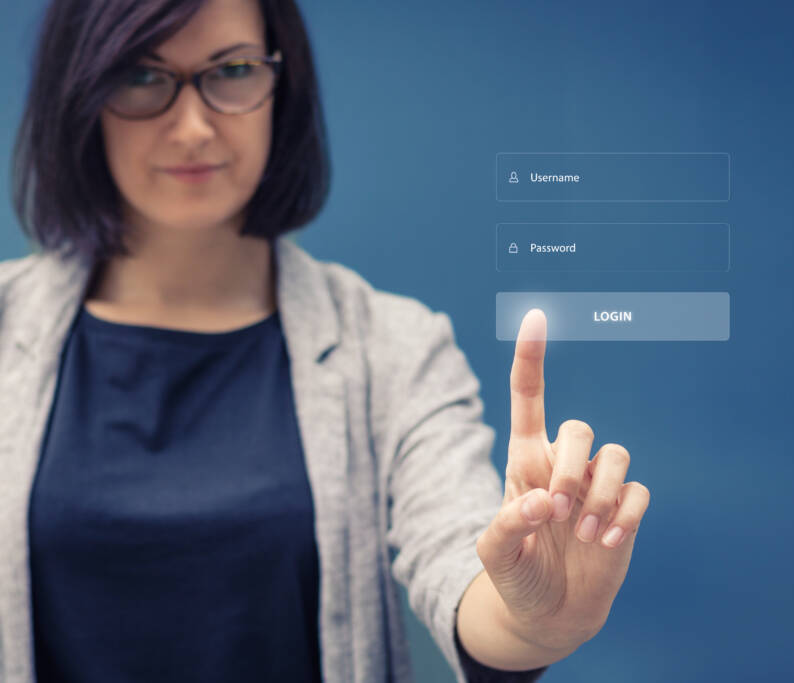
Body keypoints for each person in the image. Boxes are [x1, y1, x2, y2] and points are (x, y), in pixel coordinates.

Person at [0, 0, 651, 681]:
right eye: (140, 76)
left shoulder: (393, 349)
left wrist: (533, 618)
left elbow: (459, 561)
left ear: (285, 88)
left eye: (234, 70)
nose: (192, 125)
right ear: (79, 95)